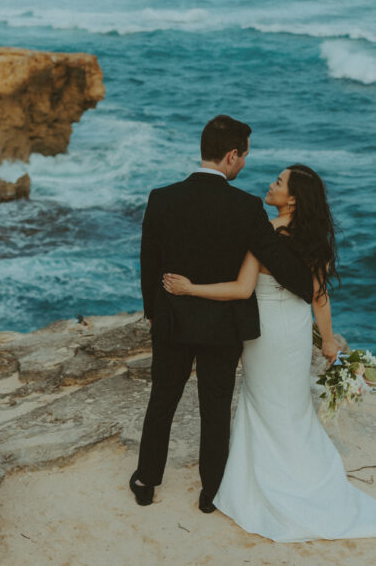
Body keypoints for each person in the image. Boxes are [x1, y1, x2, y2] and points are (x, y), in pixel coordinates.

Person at [162, 164, 376, 543]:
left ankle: (272, 482)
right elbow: (319, 297)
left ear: (293, 199)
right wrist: (328, 341)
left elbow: (241, 289)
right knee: (291, 406)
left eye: (279, 182)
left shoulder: (265, 231)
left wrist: (190, 289)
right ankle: (305, 476)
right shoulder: (315, 237)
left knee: (265, 404)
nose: (271, 184)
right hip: (295, 332)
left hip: (265, 333)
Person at [132, 115, 313, 514]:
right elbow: (277, 259)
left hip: (172, 321)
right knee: (215, 407)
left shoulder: (161, 197)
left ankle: (146, 480)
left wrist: (153, 312)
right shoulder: (246, 207)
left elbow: (148, 261)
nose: (244, 164)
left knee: (162, 400)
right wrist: (312, 282)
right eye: (244, 156)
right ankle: (210, 492)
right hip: (222, 325)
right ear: (232, 155)